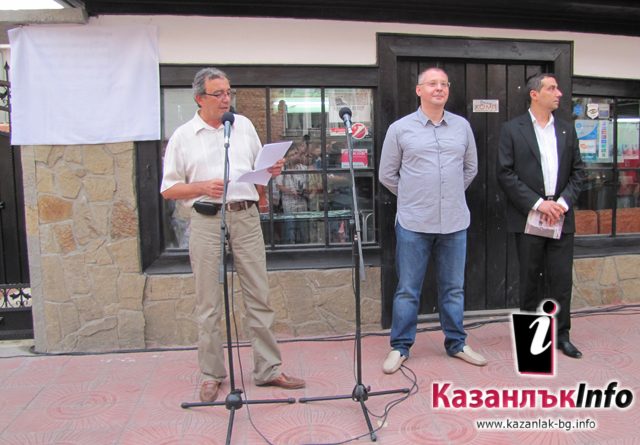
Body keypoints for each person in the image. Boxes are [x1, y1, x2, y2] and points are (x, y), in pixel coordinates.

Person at [160, 67, 305, 403]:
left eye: (229, 92)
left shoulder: (244, 126)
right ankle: (212, 374)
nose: (226, 99)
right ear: (200, 99)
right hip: (206, 218)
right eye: (219, 94)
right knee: (208, 302)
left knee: (259, 295)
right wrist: (201, 187)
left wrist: (270, 172)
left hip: (245, 216)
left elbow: (258, 171)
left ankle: (268, 369)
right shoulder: (184, 136)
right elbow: (168, 188)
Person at [379, 67, 487, 373]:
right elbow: (387, 174)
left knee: (453, 289)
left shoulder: (462, 127)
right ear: (419, 90)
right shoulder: (400, 129)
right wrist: (416, 195)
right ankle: (400, 347)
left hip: (454, 222)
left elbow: (470, 168)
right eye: (432, 83)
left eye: (443, 84)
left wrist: (447, 193)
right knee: (407, 289)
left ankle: (457, 343)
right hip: (413, 222)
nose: (439, 88)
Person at [497, 73, 586, 358]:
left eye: (557, 88)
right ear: (534, 94)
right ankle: (532, 339)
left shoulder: (566, 130)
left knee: (560, 280)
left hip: (561, 217)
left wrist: (561, 204)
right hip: (529, 217)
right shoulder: (512, 129)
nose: (558, 93)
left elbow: (578, 172)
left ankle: (561, 335)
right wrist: (538, 204)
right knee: (530, 280)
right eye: (551, 88)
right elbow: (505, 174)